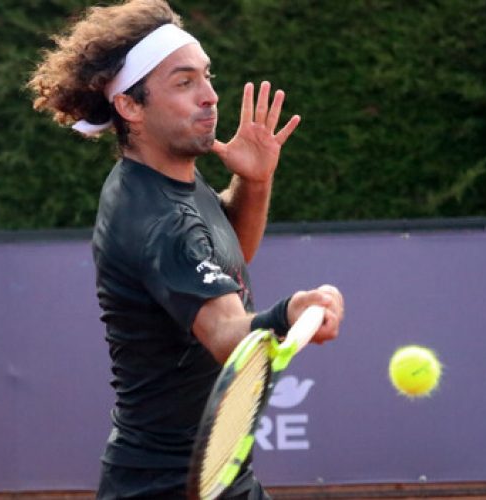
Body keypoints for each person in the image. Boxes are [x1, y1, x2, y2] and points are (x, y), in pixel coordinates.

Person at [27, 1, 344, 498]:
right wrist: (290, 312)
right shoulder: (159, 219)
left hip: (209, 474)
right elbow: (224, 334)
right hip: (164, 486)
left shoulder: (160, 180)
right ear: (131, 106)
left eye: (206, 76)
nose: (210, 96)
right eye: (184, 82)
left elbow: (227, 256)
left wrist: (254, 181)